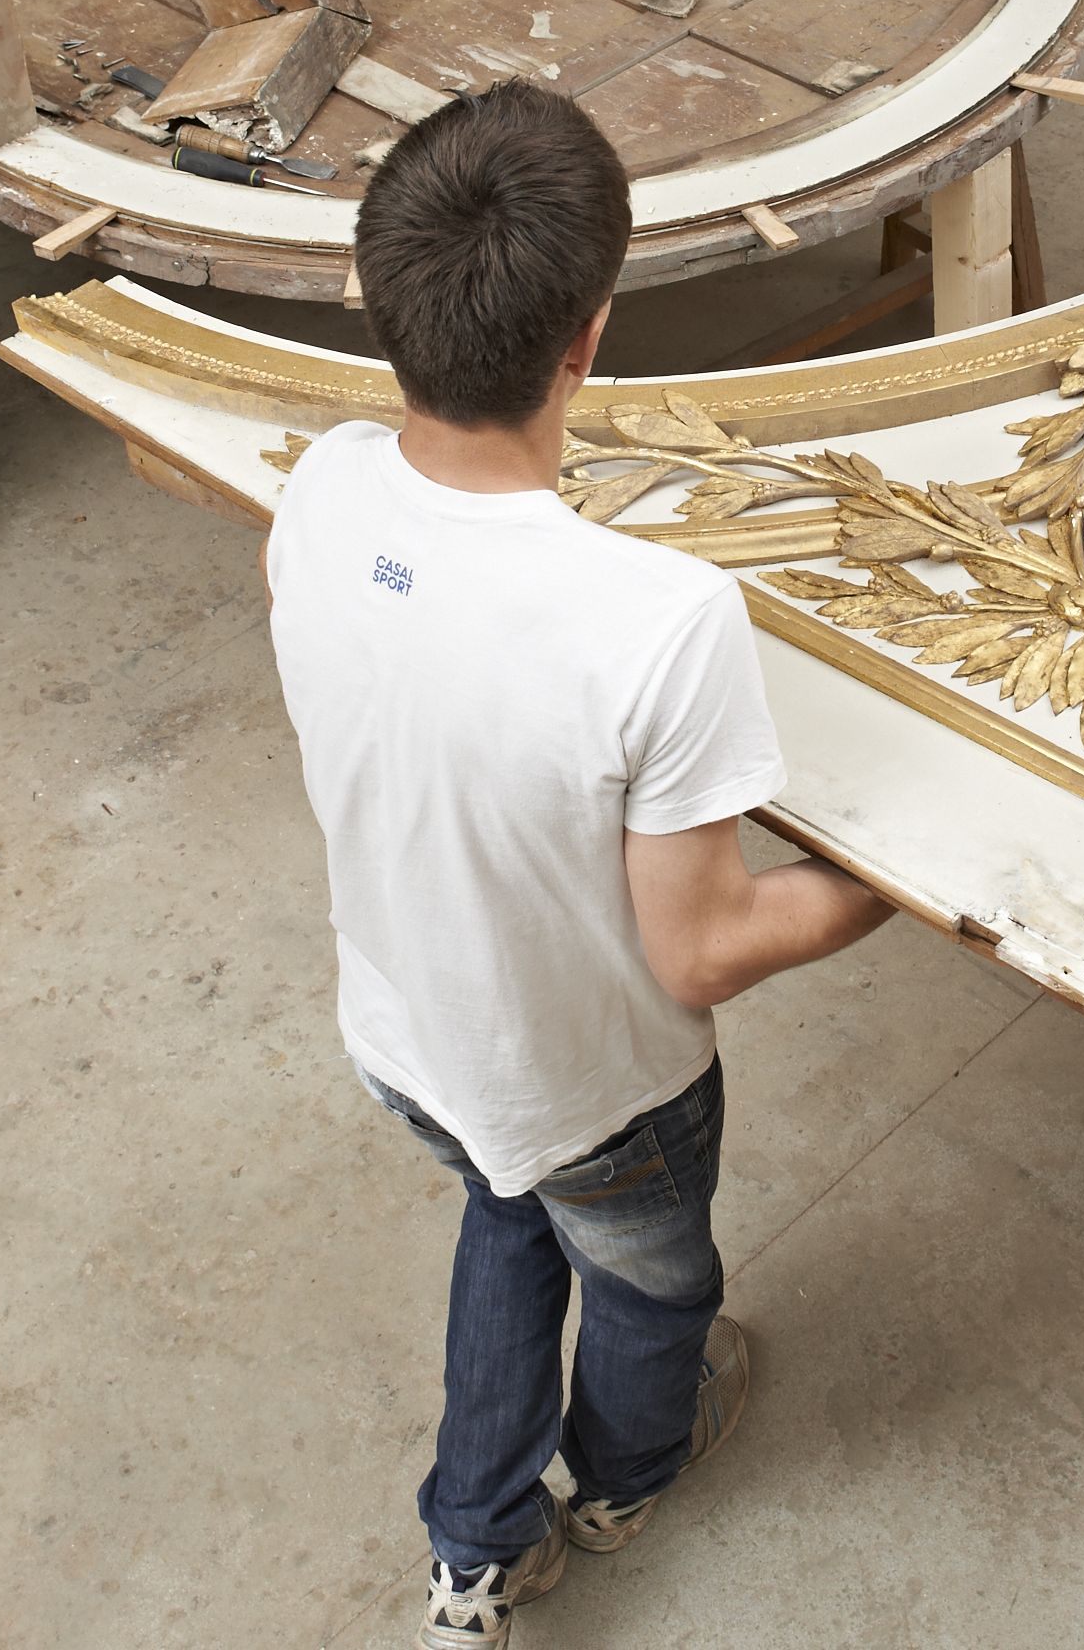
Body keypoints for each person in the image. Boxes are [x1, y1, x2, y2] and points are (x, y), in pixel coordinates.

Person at [266, 81, 898, 1643]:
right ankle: (626, 1474)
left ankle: (475, 1550)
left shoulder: (323, 482)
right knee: (653, 1287)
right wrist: (896, 878)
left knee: (503, 1205)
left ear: (381, 294)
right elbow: (701, 951)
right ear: (591, 335)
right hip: (600, 1089)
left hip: (406, 1033)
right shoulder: (661, 619)